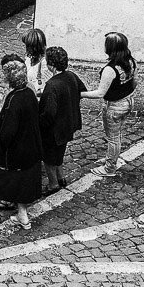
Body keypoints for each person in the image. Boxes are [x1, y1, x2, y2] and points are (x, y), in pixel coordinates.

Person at [0, 58, 42, 230]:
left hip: (14, 152)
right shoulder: (29, 94)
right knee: (23, 182)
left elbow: (7, 132)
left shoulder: (13, 100)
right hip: (30, 148)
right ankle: (23, 216)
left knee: (3, 178)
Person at [81, 32, 137, 176]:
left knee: (113, 138)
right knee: (116, 135)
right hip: (128, 102)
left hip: (115, 106)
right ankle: (111, 158)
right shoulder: (130, 61)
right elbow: (134, 82)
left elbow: (100, 93)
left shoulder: (109, 70)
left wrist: (79, 94)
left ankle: (109, 168)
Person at [39, 47, 87, 193]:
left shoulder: (52, 85)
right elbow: (81, 90)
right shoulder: (71, 76)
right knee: (60, 152)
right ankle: (61, 177)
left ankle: (53, 184)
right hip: (68, 124)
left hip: (54, 129)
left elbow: (48, 113)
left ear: (51, 65)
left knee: (48, 158)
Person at [22, 28, 48, 97]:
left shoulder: (45, 64)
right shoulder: (29, 58)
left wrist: (34, 93)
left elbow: (48, 88)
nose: (25, 47)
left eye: (27, 46)